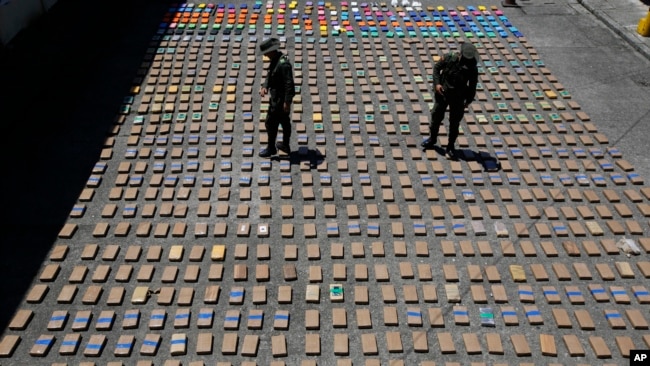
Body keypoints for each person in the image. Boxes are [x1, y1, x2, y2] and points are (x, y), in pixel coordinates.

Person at [422, 42, 478, 160]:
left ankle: (450, 146)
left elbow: (473, 85)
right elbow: (437, 68)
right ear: (461, 54)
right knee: (436, 116)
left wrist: (469, 100)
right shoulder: (449, 58)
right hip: (443, 93)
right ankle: (432, 139)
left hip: (458, 97)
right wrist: (437, 84)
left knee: (454, 123)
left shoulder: (472, 67)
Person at [258, 37, 295, 158]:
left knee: (271, 123)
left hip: (280, 100)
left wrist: (287, 102)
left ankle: (271, 148)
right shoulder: (275, 59)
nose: (265, 56)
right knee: (284, 122)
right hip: (276, 98)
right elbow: (270, 74)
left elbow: (289, 84)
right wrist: (265, 86)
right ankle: (284, 145)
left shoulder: (283, 64)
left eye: (266, 53)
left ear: (271, 51)